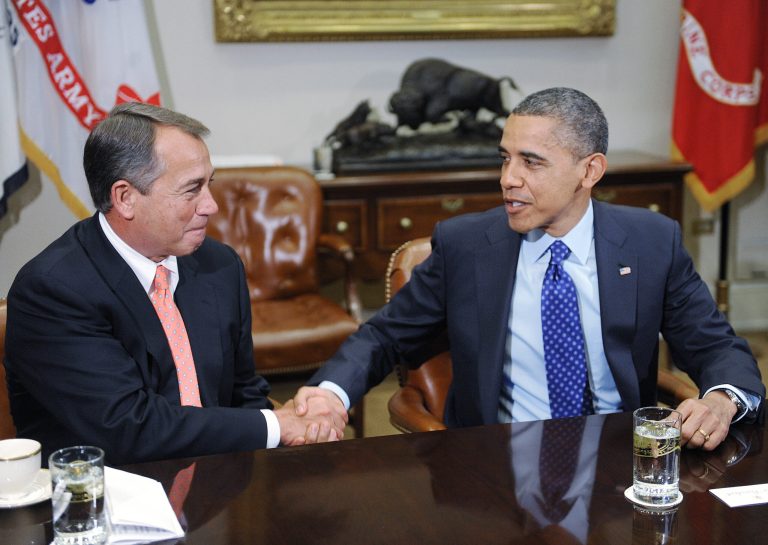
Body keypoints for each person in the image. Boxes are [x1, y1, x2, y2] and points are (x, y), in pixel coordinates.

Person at [297, 87, 764, 451]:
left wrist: (723, 399)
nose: (508, 179)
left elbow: (715, 345)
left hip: (622, 459)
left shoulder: (650, 242)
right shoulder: (466, 246)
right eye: (505, 158)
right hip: (495, 461)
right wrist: (330, 394)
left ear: (590, 171)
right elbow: (383, 336)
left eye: (531, 162)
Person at [4, 103, 345, 465]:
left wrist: (299, 422)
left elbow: (242, 392)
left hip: (215, 486)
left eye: (208, 184)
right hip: (104, 497)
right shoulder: (54, 290)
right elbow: (128, 428)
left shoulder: (219, 265)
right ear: (125, 198)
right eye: (191, 189)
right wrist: (278, 425)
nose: (211, 206)